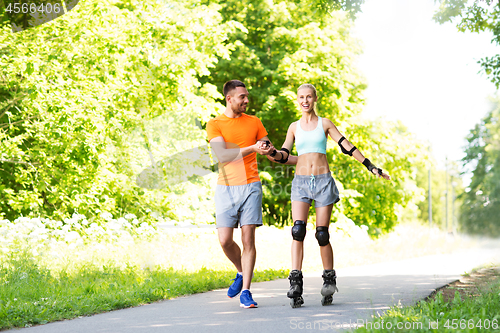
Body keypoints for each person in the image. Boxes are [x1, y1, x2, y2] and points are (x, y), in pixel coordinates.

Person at [267, 83, 391, 308]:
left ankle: (329, 280)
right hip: (301, 183)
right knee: (298, 230)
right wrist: (272, 152)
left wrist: (371, 166)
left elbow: (347, 146)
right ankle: (295, 282)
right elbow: (285, 153)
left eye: (309, 97)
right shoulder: (294, 127)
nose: (305, 100)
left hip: (323, 182)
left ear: (315, 99)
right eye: (301, 97)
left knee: (322, 234)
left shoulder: (324, 123)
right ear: (298, 100)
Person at [206, 80, 281, 308]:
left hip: (251, 185)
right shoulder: (214, 123)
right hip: (226, 187)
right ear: (229, 99)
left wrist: (274, 152)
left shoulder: (255, 122)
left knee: (248, 239)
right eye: (242, 97)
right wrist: (252, 148)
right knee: (225, 240)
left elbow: (269, 151)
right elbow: (223, 155)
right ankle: (240, 272)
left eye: (247, 96)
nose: (247, 100)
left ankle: (246, 291)